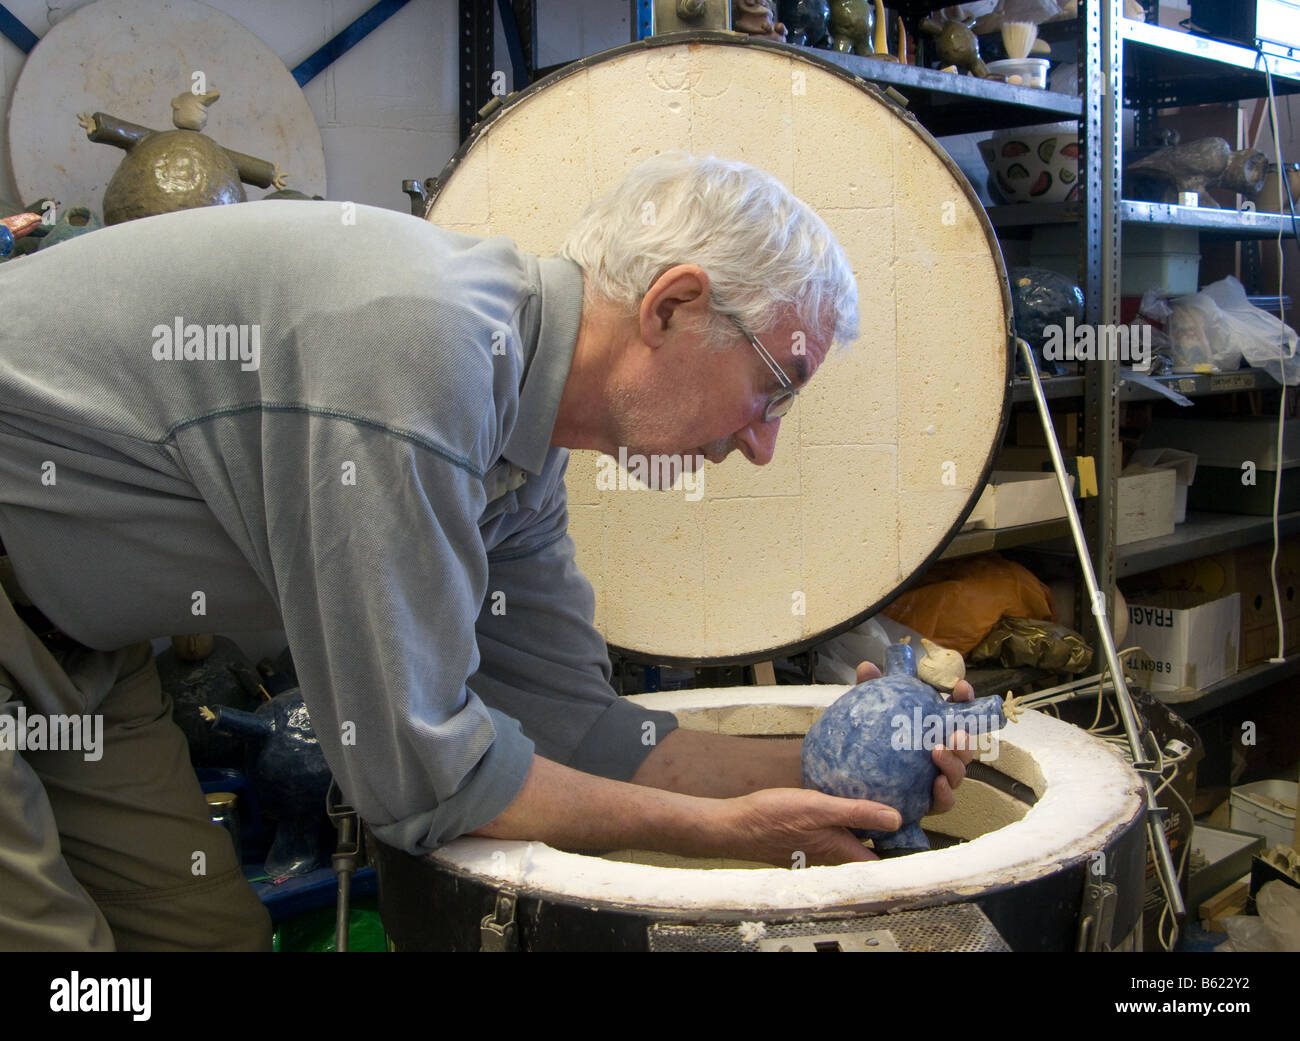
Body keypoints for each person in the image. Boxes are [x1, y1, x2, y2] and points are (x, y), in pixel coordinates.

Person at [0, 152, 972, 951]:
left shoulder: (523, 440)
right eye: (774, 389)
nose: (760, 445)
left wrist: (829, 763)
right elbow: (419, 781)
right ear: (672, 306)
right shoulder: (420, 353)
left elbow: (572, 726)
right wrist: (719, 833)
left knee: (206, 942)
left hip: (83, 659)